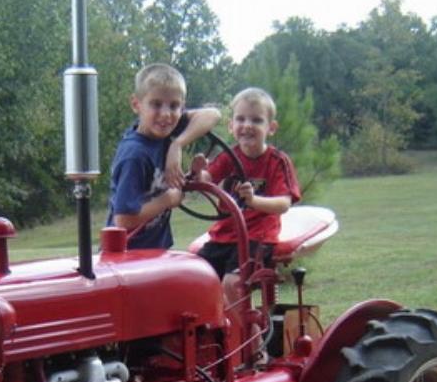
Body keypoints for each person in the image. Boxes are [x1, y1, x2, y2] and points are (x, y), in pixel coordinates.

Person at [107, 63, 220, 250]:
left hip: (157, 250)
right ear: (136, 105)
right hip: (129, 254)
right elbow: (123, 219)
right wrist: (168, 199)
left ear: (182, 107)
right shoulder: (135, 155)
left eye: (174, 106)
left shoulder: (167, 133)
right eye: (156, 104)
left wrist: (178, 145)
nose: (166, 114)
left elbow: (213, 115)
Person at [191, 87, 301, 278]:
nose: (247, 125)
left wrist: (253, 201)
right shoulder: (228, 157)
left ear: (271, 128)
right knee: (196, 278)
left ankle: (232, 308)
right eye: (240, 119)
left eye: (256, 120)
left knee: (233, 283)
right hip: (223, 236)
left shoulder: (277, 161)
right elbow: (206, 179)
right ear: (231, 126)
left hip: (258, 238)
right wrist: (197, 172)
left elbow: (283, 204)